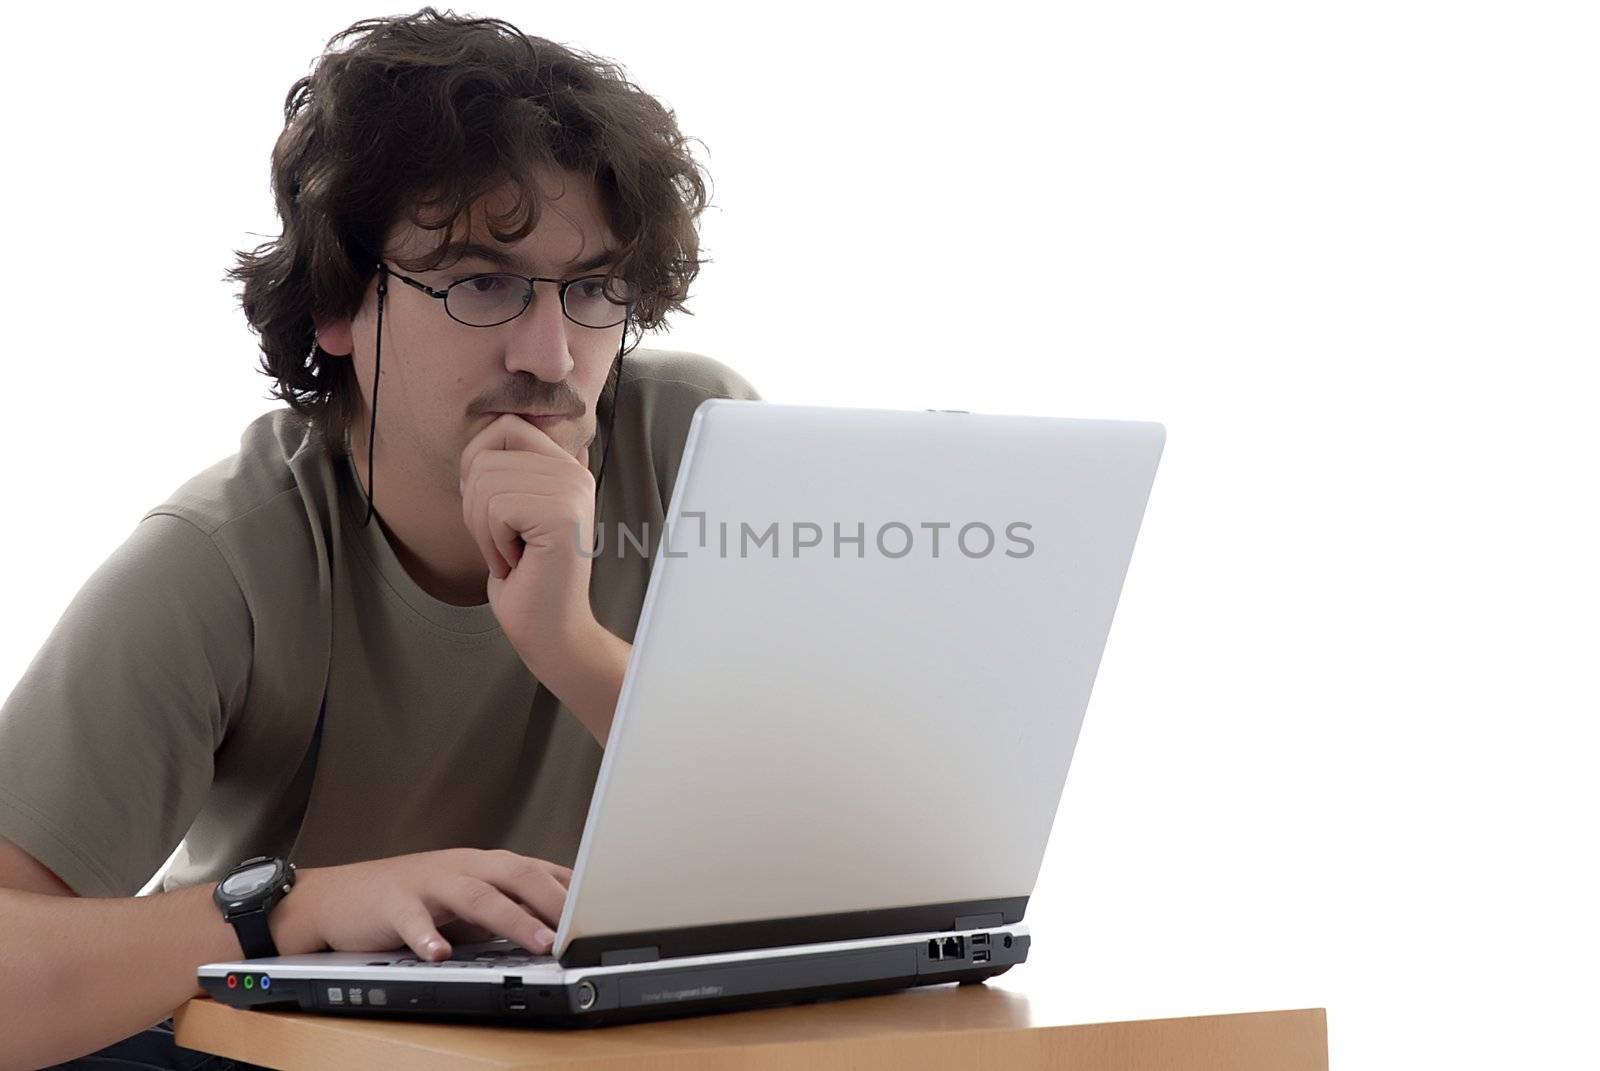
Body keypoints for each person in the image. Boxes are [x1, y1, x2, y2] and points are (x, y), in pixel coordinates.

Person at [0, 8, 760, 1068]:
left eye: (591, 290)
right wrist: (301, 913)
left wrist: (567, 642)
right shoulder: (225, 557)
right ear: (338, 302)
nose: (550, 355)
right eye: (480, 281)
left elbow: (822, 837)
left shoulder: (696, 445)